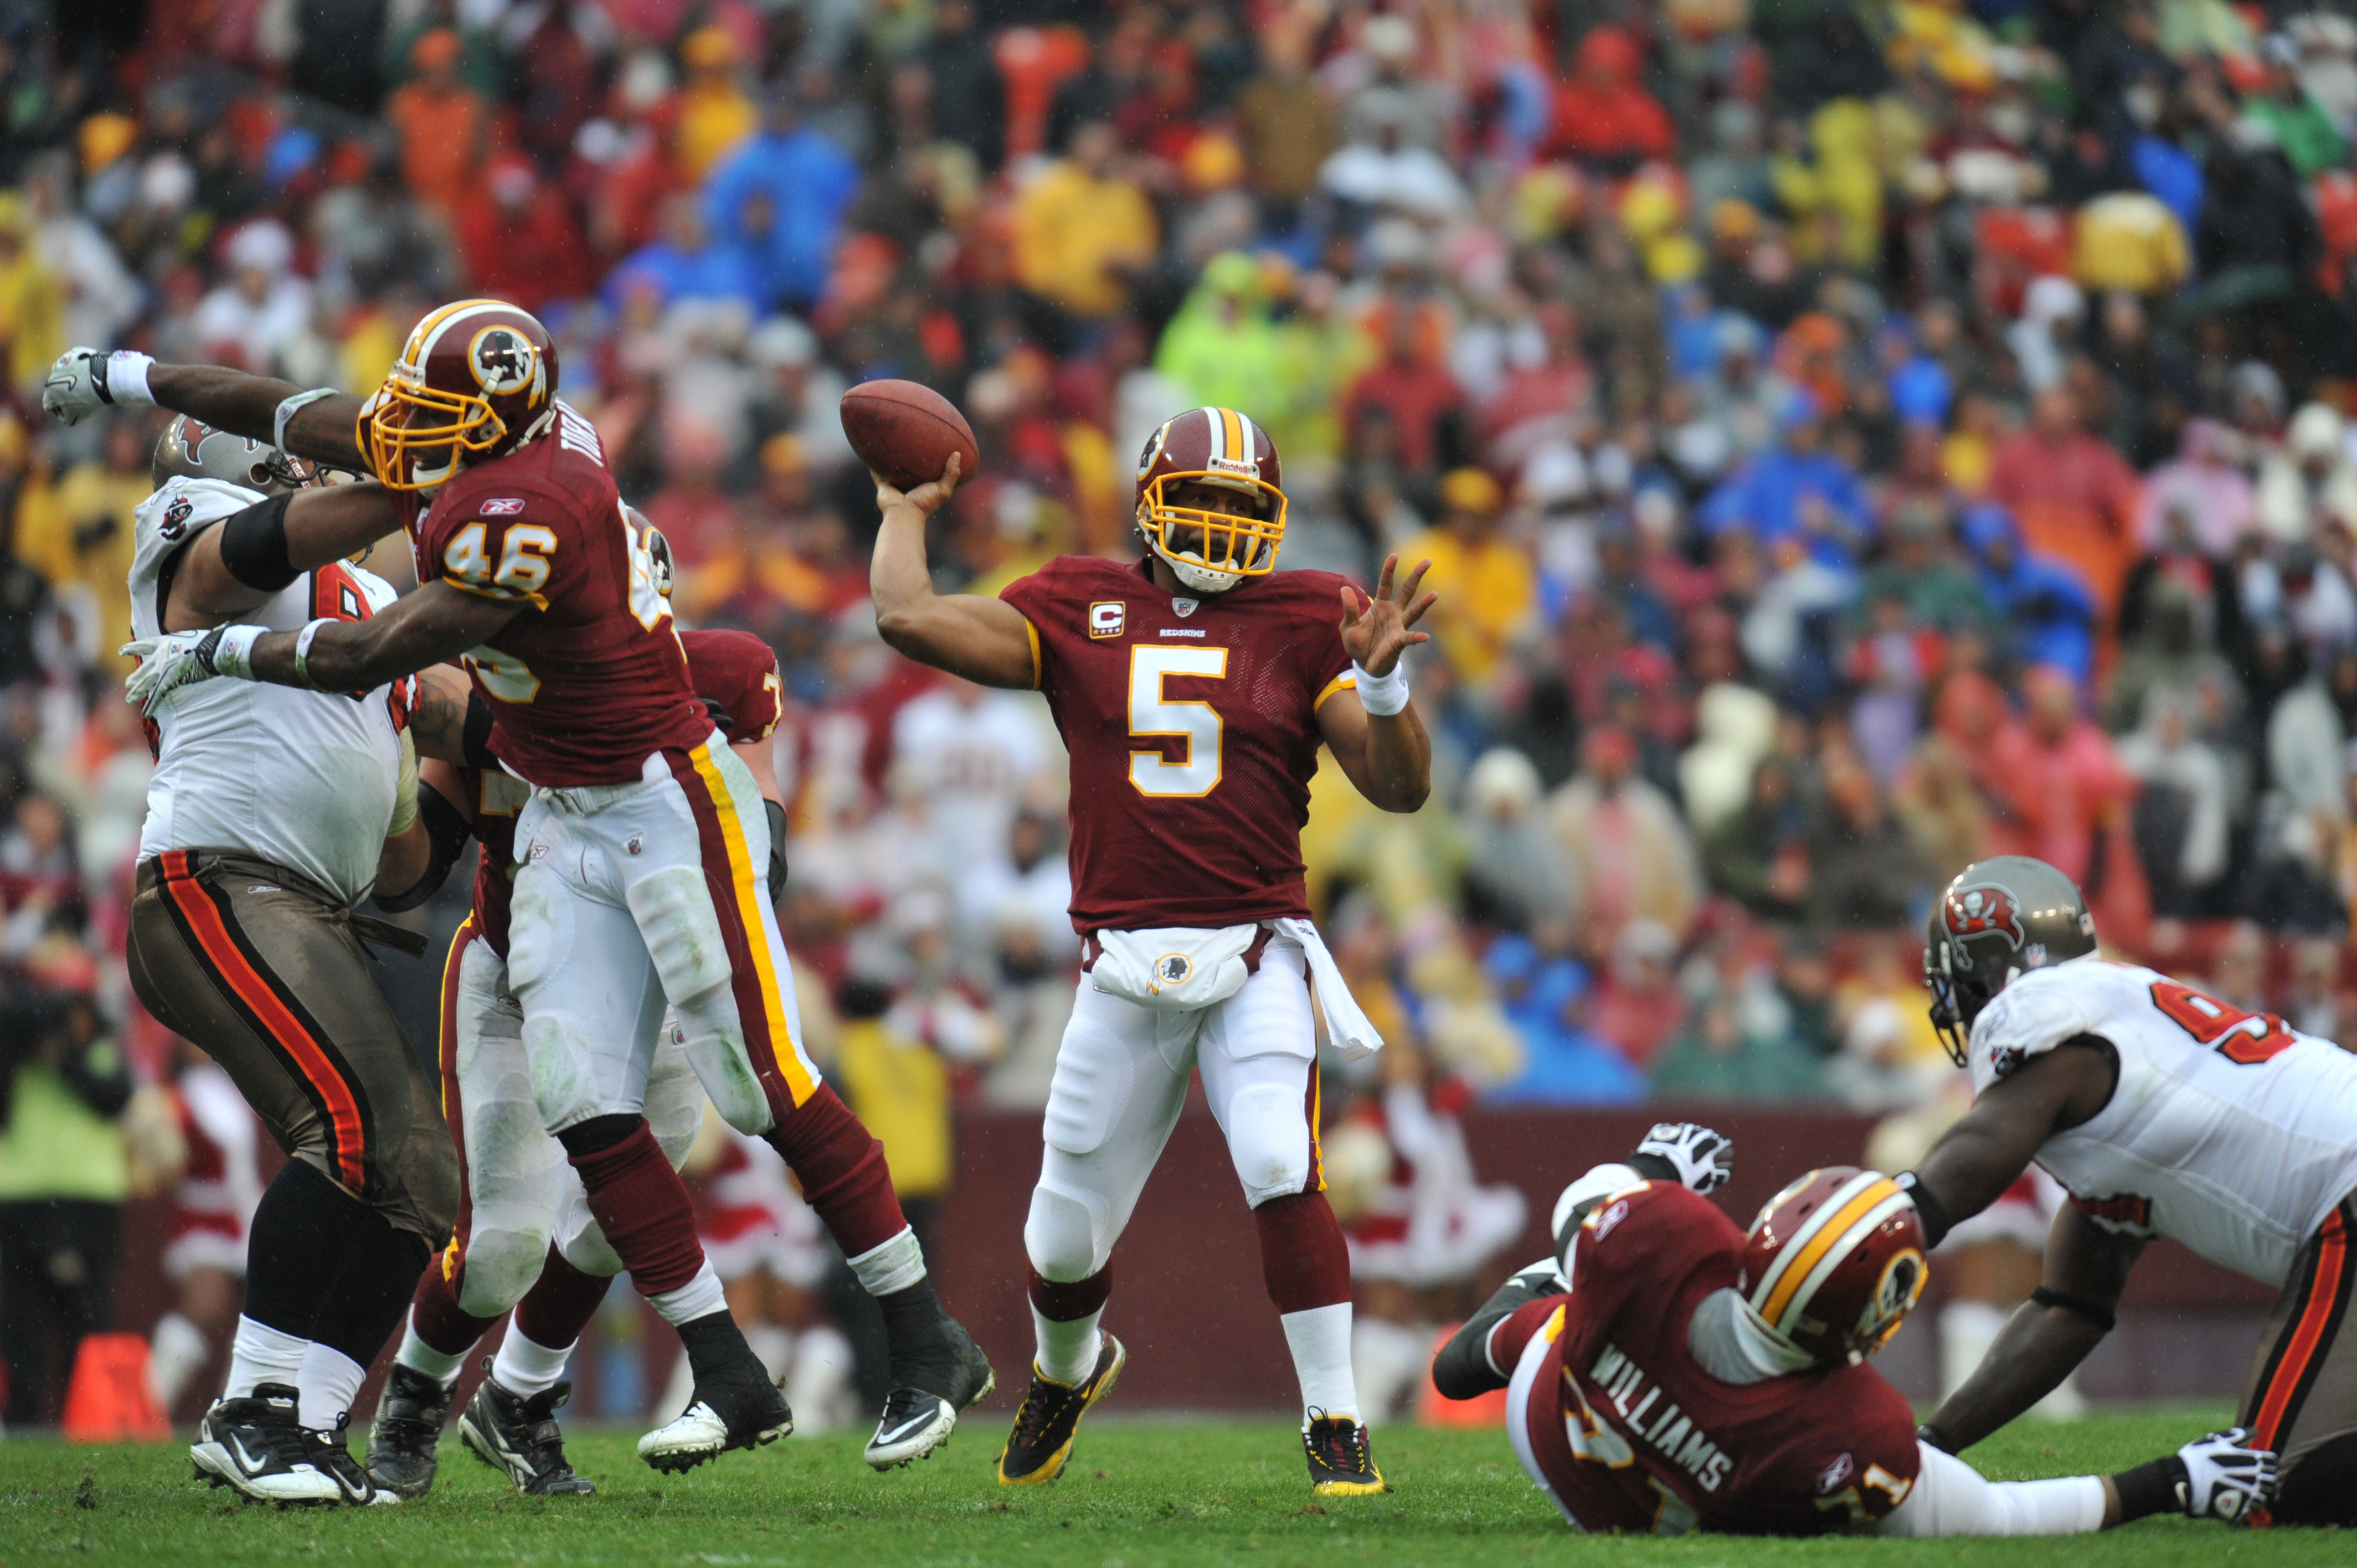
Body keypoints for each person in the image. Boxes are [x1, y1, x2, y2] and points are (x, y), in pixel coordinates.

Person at [43, 310, 989, 1475]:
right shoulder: (416, 474)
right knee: (570, 1113)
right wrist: (127, 373)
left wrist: (226, 657)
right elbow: (295, 415)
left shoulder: (522, 516)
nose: (401, 439)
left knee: (735, 1087)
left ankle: (920, 1339)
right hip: (515, 840)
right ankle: (699, 1373)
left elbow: (375, 662)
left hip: (648, 803)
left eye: (434, 422)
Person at [868, 404, 1437, 1494]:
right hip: (1121, 955)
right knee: (1064, 1241)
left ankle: (1335, 1419)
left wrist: (1380, 686)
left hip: (1256, 943)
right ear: (1147, 503)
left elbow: (1399, 788)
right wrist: (901, 510)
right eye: (1202, 501)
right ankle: (1067, 1373)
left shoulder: (1314, 610)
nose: (1221, 525)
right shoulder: (1082, 598)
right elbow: (906, 617)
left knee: (1279, 1157)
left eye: (1241, 506)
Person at [104, 415, 470, 1504]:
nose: (320, 461)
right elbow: (238, 561)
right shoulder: (196, 523)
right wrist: (414, 493)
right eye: (294, 455)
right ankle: (252, 1413)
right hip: (216, 880)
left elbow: (408, 865)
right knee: (354, 1123)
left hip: (308, 908)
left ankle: (304, 1426)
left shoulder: (373, 612)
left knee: (428, 1183)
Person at [363, 613, 795, 1498]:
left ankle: (517, 1395)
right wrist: (396, 797)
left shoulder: (714, 678)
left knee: (620, 1216)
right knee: (501, 1252)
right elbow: (409, 872)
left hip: (649, 990)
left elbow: (766, 853)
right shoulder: (485, 693)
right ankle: (415, 1391)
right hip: (519, 986)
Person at [1431, 1126, 2277, 1536]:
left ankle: (1539, 1302)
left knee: (1494, 1343)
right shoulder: (1856, 1423)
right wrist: (2174, 1480)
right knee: (1590, 1279)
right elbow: (1995, 1516)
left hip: (1551, 1422)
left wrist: (1659, 1169)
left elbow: (1582, 1204)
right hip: (1650, 1524)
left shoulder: (1673, 1236)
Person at [1900, 855, 2357, 1526]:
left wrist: (1870, 1228)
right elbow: (2067, 1311)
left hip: (2343, 1185)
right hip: (2339, 1179)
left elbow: (1965, 1164)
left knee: (2270, 1484)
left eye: (1959, 985)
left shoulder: (2040, 1020)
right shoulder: (2122, 1075)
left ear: (1993, 977)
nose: (1954, 1007)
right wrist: (1929, 1450)